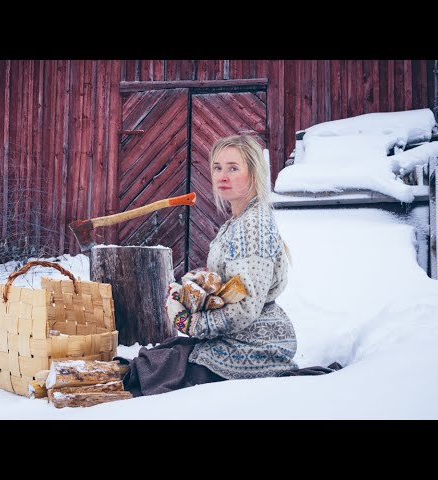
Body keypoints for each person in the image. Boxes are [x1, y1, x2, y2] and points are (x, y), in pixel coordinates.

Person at [119, 134, 340, 397]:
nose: (222, 176)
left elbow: (245, 307)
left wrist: (193, 324)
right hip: (241, 336)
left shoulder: (252, 226)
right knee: (160, 358)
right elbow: (234, 283)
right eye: (217, 167)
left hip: (255, 344)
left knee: (158, 371)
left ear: (254, 173)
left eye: (233, 168)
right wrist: (201, 283)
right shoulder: (239, 219)